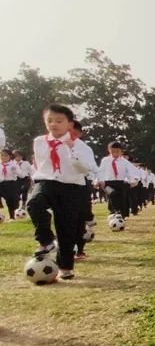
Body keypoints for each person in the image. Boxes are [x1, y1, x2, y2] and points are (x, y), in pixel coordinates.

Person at [26, 104, 98, 280]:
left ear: (69, 124)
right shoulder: (39, 142)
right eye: (49, 120)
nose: (53, 124)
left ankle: (65, 267)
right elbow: (42, 165)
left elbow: (87, 169)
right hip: (47, 182)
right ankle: (46, 240)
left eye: (59, 121)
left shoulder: (81, 146)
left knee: (66, 227)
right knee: (34, 204)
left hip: (71, 187)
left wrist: (71, 148)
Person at [68, 120, 98, 260]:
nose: (70, 134)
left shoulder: (84, 148)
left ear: (80, 133)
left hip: (81, 183)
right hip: (60, 183)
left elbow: (91, 167)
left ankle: (79, 249)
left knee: (79, 217)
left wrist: (96, 180)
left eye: (74, 132)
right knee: (64, 217)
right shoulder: (52, 143)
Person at [96, 142, 133, 219]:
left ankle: (120, 214)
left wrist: (133, 180)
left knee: (120, 199)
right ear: (109, 150)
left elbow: (130, 172)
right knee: (112, 194)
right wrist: (98, 181)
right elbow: (101, 171)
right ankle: (115, 212)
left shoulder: (125, 162)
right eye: (113, 151)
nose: (115, 153)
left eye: (117, 151)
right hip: (107, 184)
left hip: (120, 183)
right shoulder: (105, 160)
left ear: (121, 151)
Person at [0, 149, 19, 220]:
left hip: (10, 184)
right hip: (0, 183)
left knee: (10, 201)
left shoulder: (14, 164)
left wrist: (15, 171)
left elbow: (21, 175)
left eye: (5, 155)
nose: (3, 157)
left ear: (10, 156)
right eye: (2, 155)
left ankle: (12, 217)